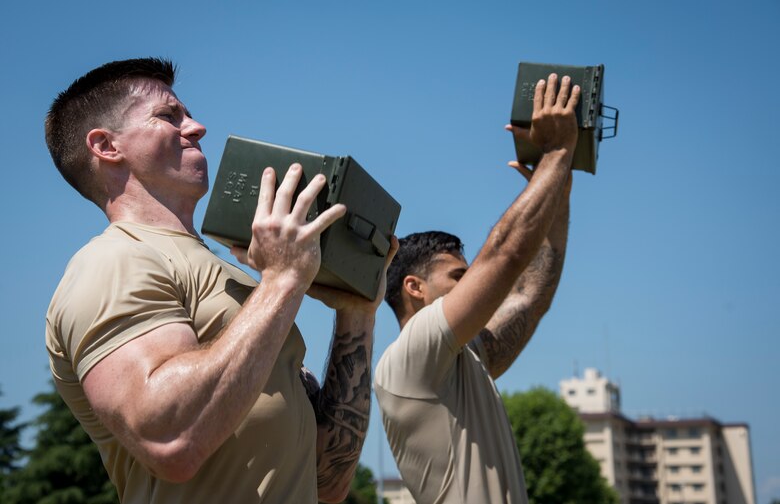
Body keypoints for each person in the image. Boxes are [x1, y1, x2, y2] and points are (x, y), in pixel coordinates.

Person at [44, 57, 396, 503]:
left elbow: (329, 479)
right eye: (169, 116)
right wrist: (284, 280)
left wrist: (357, 314)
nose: (197, 127)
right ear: (106, 146)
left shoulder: (241, 281)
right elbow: (170, 442)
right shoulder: (111, 261)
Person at [374, 73, 579, 503]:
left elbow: (530, 297)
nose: (475, 285)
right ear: (414, 287)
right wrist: (558, 153)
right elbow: (504, 257)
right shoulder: (412, 354)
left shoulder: (465, 357)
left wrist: (558, 194)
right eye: (458, 277)